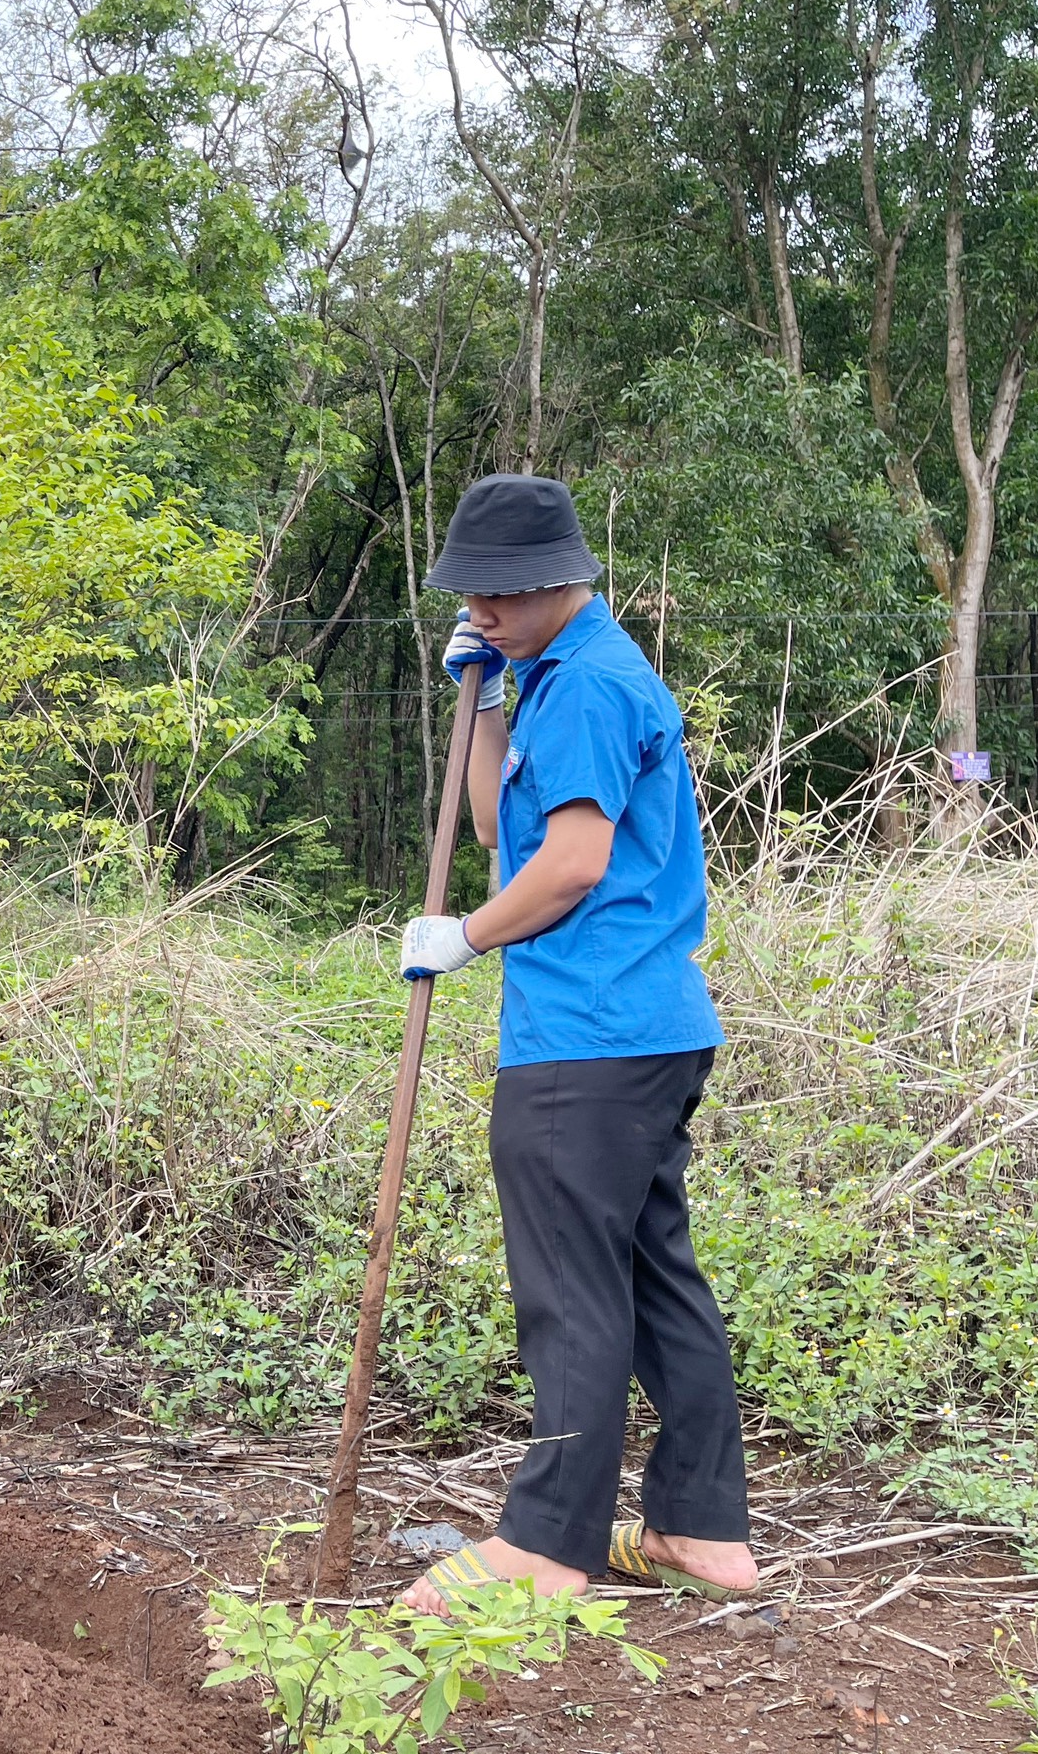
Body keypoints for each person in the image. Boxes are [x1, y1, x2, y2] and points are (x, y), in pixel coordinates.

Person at [393, 474, 757, 1616]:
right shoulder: (555, 678)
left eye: (501, 593)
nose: (481, 607)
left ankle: (547, 1549)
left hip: (586, 1035)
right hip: (641, 1029)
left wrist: (463, 936)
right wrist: (487, 698)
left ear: (565, 577)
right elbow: (511, 832)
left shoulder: (592, 683)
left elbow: (570, 866)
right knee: (652, 1284)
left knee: (570, 1292)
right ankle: (701, 1535)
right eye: (469, 592)